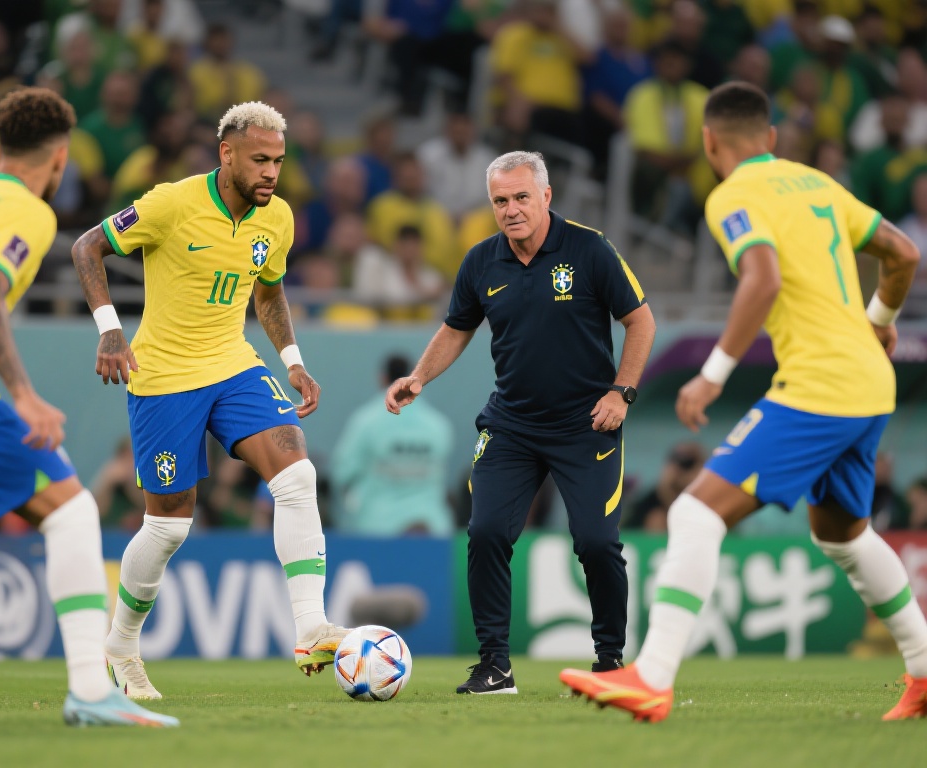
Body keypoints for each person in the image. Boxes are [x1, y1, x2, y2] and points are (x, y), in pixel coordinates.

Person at [560, 81, 927, 722]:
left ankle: (652, 677)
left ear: (709, 142)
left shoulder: (733, 195)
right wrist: (880, 320)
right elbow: (903, 252)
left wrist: (712, 374)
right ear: (772, 138)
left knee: (695, 512)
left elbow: (763, 277)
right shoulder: (818, 183)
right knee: (843, 534)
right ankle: (924, 670)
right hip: (871, 383)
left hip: (820, 385)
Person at [0, 87, 175, 727]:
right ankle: (90, 689)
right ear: (59, 159)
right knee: (72, 510)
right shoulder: (27, 211)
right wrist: (23, 396)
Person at [70, 100, 349, 700]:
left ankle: (310, 628)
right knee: (169, 525)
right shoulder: (171, 203)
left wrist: (294, 362)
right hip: (164, 376)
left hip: (232, 364)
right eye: (259, 160)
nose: (271, 172)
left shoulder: (277, 219)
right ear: (227, 154)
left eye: (278, 161)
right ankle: (120, 646)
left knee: (297, 473)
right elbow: (86, 247)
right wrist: (110, 329)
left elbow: (268, 295)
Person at [386, 150, 657, 695]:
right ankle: (495, 666)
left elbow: (641, 321)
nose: (510, 210)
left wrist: (622, 393)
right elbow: (456, 328)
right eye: (500, 201)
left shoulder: (590, 249)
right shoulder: (480, 262)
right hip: (512, 425)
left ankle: (610, 663)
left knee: (597, 543)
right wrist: (419, 376)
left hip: (587, 425)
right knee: (486, 532)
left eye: (521, 197)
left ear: (546, 197)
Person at [331, 354, 455, 537]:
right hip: (433, 528)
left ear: (382, 378)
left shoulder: (366, 422)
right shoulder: (439, 425)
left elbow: (342, 473)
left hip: (377, 529)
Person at [623, 442, 706, 532]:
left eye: (689, 462)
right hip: (651, 531)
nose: (683, 469)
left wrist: (699, 481)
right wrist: (668, 483)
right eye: (679, 460)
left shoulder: (705, 495)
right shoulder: (651, 501)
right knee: (657, 519)